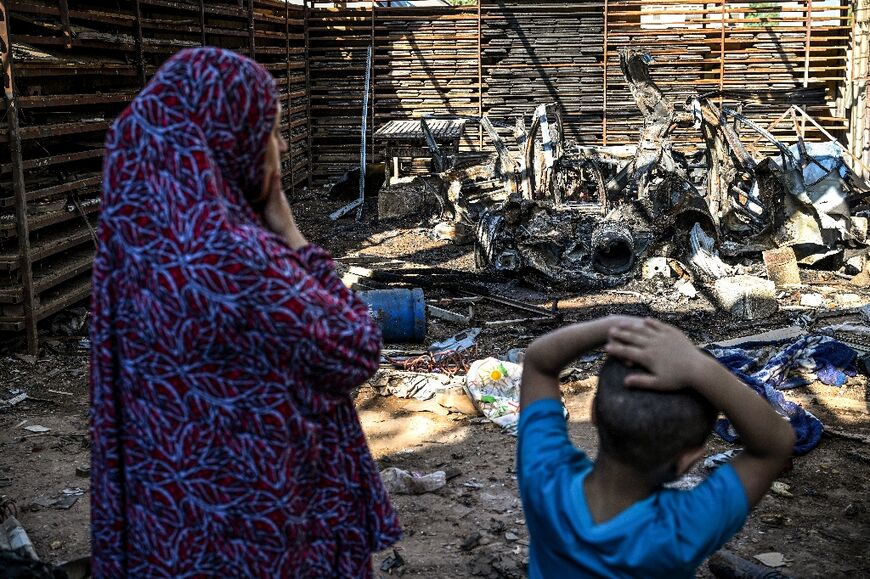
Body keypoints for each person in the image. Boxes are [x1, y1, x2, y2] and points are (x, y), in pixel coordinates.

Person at [90, 48, 400, 577]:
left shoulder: (135, 250)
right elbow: (355, 346)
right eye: (271, 129)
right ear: (227, 134)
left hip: (170, 522)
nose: (280, 146)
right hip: (262, 526)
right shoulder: (232, 258)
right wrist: (289, 229)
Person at [518, 316, 796, 578]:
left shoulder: (545, 479)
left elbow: (539, 363)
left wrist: (619, 325)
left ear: (593, 413)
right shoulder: (683, 528)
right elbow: (775, 444)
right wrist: (697, 367)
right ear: (686, 462)